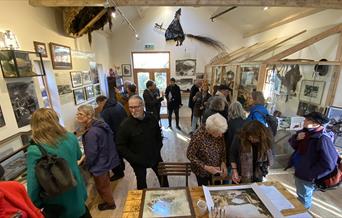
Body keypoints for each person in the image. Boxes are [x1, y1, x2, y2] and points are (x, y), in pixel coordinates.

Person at [26, 108, 89, 218]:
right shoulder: (70, 137)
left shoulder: (35, 149)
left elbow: (33, 187)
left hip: (59, 205)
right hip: (78, 194)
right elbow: (79, 156)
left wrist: (36, 204)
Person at [116, 95, 169, 190]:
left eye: (136, 107)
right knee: (141, 184)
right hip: (138, 160)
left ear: (142, 105)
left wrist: (157, 149)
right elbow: (120, 146)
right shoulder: (125, 125)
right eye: (130, 107)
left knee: (163, 178)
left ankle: (168, 197)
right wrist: (134, 159)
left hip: (155, 156)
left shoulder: (151, 118)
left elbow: (158, 135)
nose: (133, 110)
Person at [287, 112, 338, 209]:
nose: (304, 121)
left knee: (304, 199)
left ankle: (303, 214)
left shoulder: (322, 138)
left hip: (307, 175)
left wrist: (311, 174)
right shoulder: (306, 132)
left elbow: (329, 164)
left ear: (316, 123)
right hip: (301, 170)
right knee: (302, 195)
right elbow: (294, 145)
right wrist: (297, 138)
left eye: (307, 120)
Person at [76, 105, 120, 211]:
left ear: (89, 115)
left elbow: (91, 154)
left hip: (99, 164)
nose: (77, 116)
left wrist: (87, 164)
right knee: (105, 183)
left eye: (80, 114)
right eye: (77, 113)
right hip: (105, 160)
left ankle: (110, 204)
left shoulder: (91, 132)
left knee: (102, 186)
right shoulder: (100, 124)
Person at [187, 113, 228, 186]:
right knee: (204, 192)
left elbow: (223, 148)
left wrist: (223, 162)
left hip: (217, 169)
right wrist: (205, 167)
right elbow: (190, 155)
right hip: (202, 171)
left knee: (216, 190)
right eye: (219, 133)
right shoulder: (198, 136)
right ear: (212, 131)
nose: (221, 135)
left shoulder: (219, 132)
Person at [96, 95, 127, 181]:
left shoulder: (106, 111)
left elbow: (104, 127)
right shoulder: (118, 104)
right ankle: (122, 168)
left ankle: (119, 173)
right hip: (123, 133)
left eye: (98, 104)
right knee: (119, 154)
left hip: (114, 136)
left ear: (100, 102)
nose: (99, 107)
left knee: (113, 155)